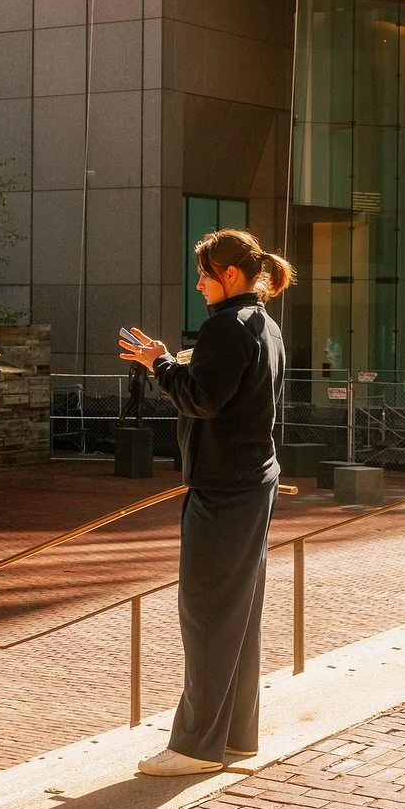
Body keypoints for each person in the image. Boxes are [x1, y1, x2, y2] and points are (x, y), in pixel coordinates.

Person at [119, 229, 293, 776]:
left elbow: (202, 399)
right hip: (252, 482)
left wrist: (162, 364)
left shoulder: (225, 327)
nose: (198, 285)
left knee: (207, 615)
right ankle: (237, 735)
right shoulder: (265, 326)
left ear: (231, 276)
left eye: (204, 274)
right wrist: (180, 366)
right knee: (237, 614)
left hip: (222, 490)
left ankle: (195, 747)